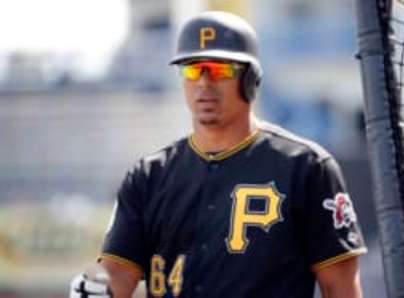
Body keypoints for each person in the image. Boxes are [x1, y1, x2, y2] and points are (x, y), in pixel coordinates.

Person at [70, 11, 367, 298]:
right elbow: (118, 270)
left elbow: (340, 286)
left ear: (250, 80)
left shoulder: (305, 166)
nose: (203, 83)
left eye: (219, 70)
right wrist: (95, 286)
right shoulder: (149, 175)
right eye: (192, 69)